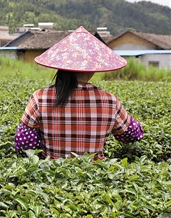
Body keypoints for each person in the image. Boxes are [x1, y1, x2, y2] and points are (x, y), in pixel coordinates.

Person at [14, 26, 144, 160]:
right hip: (96, 176)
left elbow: (24, 144)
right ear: (93, 68)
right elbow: (131, 135)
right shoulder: (110, 101)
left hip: (52, 175)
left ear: (61, 65)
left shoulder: (39, 98)